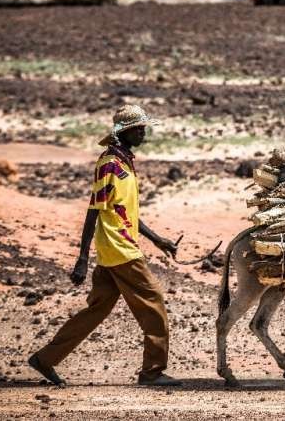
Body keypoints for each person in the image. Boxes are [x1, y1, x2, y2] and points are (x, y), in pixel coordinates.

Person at [28, 104, 180, 386]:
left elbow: (126, 211)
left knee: (97, 309)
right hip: (120, 250)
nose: (144, 133)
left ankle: (45, 358)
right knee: (154, 304)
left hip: (115, 251)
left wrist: (158, 240)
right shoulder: (109, 164)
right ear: (126, 132)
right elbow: (93, 210)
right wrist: (82, 258)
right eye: (140, 129)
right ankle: (152, 371)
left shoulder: (124, 163)